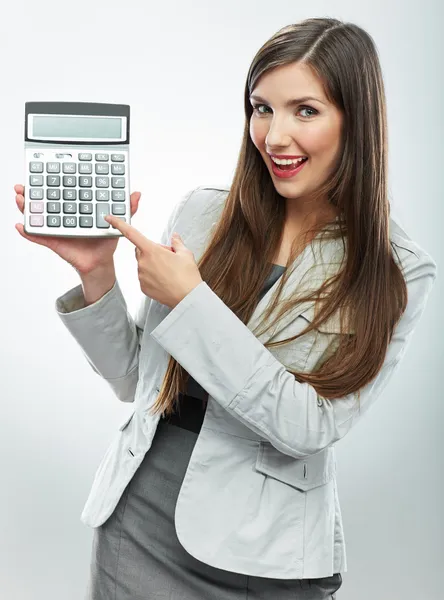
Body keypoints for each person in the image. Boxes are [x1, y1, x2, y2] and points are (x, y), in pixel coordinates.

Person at [14, 17, 437, 600]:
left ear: (355, 121)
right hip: (139, 524)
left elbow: (310, 425)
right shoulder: (201, 216)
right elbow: (139, 382)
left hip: (271, 553)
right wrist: (95, 272)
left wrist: (192, 301)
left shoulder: (394, 267)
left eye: (305, 111)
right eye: (261, 108)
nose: (275, 136)